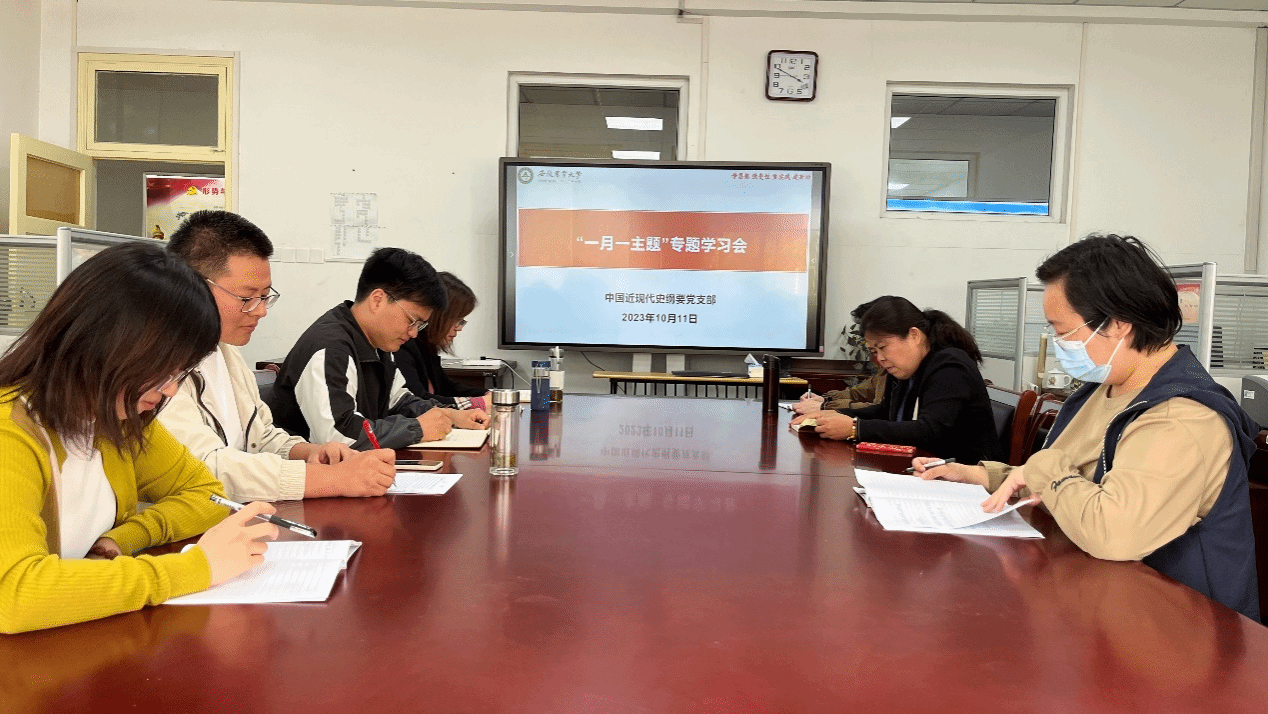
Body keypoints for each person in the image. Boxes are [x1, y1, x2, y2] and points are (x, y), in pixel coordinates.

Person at [916, 234, 1261, 622]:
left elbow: (1113, 534)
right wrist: (975, 476)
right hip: (1098, 601)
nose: (1058, 344)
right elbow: (1064, 482)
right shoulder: (1106, 387)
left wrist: (1043, 469)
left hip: (1177, 627)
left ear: (1118, 324)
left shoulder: (1180, 418)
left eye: (1063, 331)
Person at [0, 242, 277, 634]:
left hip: (77, 638)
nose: (170, 390)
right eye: (164, 369)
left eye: (181, 372)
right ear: (107, 342)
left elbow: (206, 495)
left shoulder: (117, 416)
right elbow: (14, 594)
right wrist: (194, 568)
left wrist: (124, 539)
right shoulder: (11, 431)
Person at [162, 210, 398, 501]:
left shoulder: (224, 352)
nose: (261, 310)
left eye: (265, 296)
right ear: (192, 286)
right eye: (247, 298)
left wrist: (310, 453)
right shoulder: (156, 367)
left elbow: (261, 436)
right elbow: (204, 467)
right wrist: (331, 480)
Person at [268, 247, 487, 450]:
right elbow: (338, 437)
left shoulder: (377, 344)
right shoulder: (330, 348)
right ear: (377, 300)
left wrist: (449, 415)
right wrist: (417, 429)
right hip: (311, 473)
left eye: (420, 325)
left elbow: (400, 401)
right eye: (412, 320)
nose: (414, 333)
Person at [792, 296, 1003, 465]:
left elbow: (930, 431)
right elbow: (887, 412)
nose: (880, 358)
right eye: (874, 351)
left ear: (914, 336)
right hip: (925, 468)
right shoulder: (908, 367)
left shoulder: (950, 365)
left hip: (967, 480)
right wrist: (836, 415)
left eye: (883, 347)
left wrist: (856, 428)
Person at [395, 272, 491, 411]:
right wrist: (476, 403)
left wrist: (486, 394)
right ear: (438, 316)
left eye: (461, 321)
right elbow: (418, 400)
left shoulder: (427, 347)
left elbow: (447, 387)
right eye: (457, 319)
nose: (459, 328)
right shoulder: (403, 347)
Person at [795, 300, 888, 415]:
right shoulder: (884, 371)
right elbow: (856, 393)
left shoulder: (899, 370)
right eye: (873, 351)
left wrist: (826, 406)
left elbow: (879, 411)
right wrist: (826, 399)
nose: (877, 358)